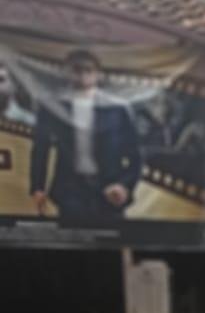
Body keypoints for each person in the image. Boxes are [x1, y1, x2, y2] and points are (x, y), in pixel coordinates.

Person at [29, 48, 141, 221]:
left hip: (109, 189)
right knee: (74, 241)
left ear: (98, 74)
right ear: (66, 72)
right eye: (76, 69)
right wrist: (38, 187)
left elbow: (136, 154)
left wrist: (124, 185)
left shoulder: (117, 109)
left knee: (110, 243)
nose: (82, 75)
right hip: (70, 189)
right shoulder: (53, 107)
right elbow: (40, 149)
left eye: (88, 70)